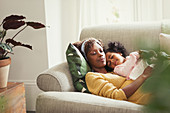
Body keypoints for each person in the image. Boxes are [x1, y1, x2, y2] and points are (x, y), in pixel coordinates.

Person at [80, 38, 152, 105]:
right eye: (93, 53)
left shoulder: (117, 70)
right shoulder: (91, 76)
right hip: (150, 97)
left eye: (101, 51)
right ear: (86, 59)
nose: (100, 54)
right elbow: (117, 95)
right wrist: (143, 76)